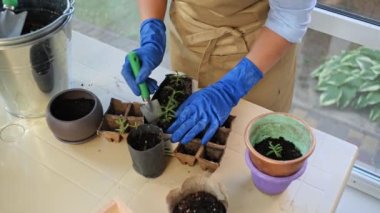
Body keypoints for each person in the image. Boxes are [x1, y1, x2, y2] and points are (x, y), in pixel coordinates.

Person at [122, 0, 316, 145]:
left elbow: (289, 19)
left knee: (248, 145)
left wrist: (229, 89)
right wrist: (151, 32)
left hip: (258, 56)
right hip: (189, 37)